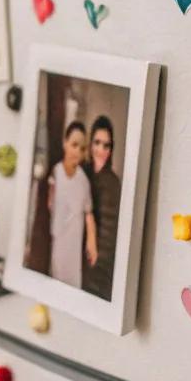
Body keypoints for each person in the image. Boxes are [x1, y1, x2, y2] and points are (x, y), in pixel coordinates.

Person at [48, 121, 97, 289]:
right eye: (74, 145)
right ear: (65, 143)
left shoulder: (84, 181)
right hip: (55, 246)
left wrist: (91, 241)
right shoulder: (55, 173)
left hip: (74, 250)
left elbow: (88, 212)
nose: (77, 151)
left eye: (82, 148)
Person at [82, 115, 121, 301]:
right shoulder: (82, 171)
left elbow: (109, 237)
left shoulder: (112, 183)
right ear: (90, 144)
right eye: (97, 143)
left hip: (97, 271)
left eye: (106, 145)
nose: (100, 150)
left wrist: (97, 271)